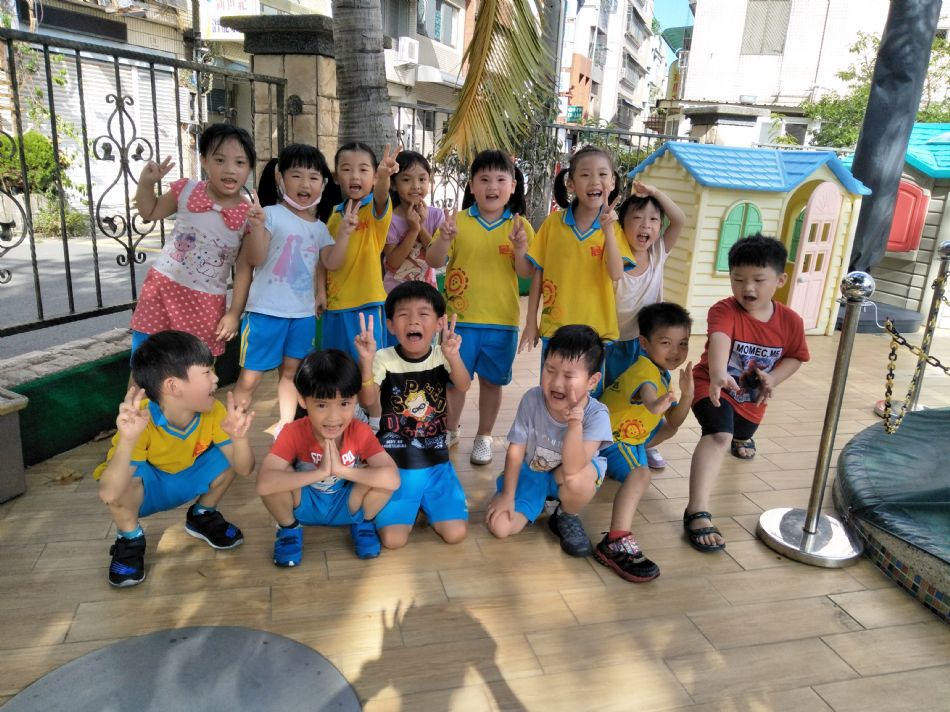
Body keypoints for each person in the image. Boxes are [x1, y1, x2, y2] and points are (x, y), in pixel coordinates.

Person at [94, 330, 255, 587]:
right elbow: (109, 494)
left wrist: (240, 438)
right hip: (149, 491)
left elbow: (244, 469)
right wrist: (127, 439)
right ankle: (129, 539)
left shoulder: (214, 411)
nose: (216, 379)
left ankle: (202, 515)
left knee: (231, 456)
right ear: (173, 386)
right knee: (122, 478)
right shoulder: (140, 419)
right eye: (207, 372)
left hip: (186, 479)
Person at [686, 234, 810, 552]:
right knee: (719, 434)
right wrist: (717, 373)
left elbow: (796, 356)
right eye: (738, 279)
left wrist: (773, 378)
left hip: (752, 398)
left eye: (758, 279)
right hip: (713, 386)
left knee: (742, 431)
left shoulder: (791, 322)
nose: (747, 288)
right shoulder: (724, 310)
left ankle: (743, 437)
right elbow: (719, 339)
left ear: (780, 280)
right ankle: (697, 511)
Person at [225, 144, 357, 436]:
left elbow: (331, 262)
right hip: (265, 313)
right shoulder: (269, 215)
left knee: (291, 375)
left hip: (302, 315)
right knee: (249, 379)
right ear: (279, 177)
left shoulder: (320, 228)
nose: (305, 184)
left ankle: (286, 430)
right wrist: (257, 226)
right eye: (297, 175)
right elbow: (255, 258)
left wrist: (345, 234)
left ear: (323, 183)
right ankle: (229, 434)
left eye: (313, 177)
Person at [425, 150, 534, 465]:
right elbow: (433, 259)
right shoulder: (456, 222)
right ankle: (450, 429)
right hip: (458, 323)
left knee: (492, 383)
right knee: (453, 382)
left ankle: (484, 436)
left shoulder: (520, 226)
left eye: (500, 179)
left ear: (513, 186)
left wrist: (520, 248)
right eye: (484, 179)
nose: (492, 186)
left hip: (502, 323)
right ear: (471, 186)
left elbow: (526, 273)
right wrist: (444, 239)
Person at [354, 281, 472, 548]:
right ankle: (417, 504)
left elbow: (463, 385)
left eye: (423, 314)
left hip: (436, 463)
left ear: (439, 323)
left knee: (456, 534)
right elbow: (367, 400)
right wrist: (366, 361)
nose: (413, 321)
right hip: (395, 465)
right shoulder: (383, 358)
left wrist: (453, 356)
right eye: (404, 314)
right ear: (390, 325)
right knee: (393, 540)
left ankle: (425, 503)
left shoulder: (442, 355)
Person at [130, 123, 264, 357]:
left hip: (205, 302)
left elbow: (246, 268)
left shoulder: (249, 214)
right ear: (204, 160)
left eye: (240, 163)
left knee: (196, 366)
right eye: (219, 160)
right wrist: (146, 183)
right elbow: (149, 211)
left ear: (250, 168)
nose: (230, 169)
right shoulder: (186, 190)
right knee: (146, 360)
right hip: (162, 290)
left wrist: (234, 313)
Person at [255, 349, 400, 564]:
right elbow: (264, 484)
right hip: (304, 505)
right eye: (322, 405)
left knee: (379, 477)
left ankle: (364, 523)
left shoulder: (360, 431)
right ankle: (289, 528)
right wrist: (321, 473)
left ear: (355, 400)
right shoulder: (293, 432)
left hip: (348, 505)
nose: (333, 417)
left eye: (344, 403)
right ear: (302, 400)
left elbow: (393, 480)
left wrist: (341, 470)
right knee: (279, 474)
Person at [485, 324, 613, 557]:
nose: (556, 382)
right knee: (501, 527)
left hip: (568, 475)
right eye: (550, 370)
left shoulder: (597, 415)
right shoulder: (532, 399)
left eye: (569, 375)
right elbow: (515, 451)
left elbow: (573, 467)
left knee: (579, 479)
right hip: (532, 472)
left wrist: (574, 425)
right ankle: (532, 496)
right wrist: (507, 496)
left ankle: (566, 514)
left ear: (592, 380)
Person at [521, 145, 632, 393]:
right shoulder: (553, 224)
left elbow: (616, 274)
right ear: (570, 184)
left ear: (613, 182)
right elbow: (538, 273)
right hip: (556, 329)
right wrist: (530, 321)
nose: (595, 181)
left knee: (589, 400)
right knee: (553, 393)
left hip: (598, 333)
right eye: (585, 174)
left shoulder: (614, 230)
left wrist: (608, 231)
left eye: (602, 174)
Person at [596, 302, 694, 582]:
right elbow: (650, 401)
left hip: (632, 435)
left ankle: (617, 468)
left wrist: (687, 395)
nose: (675, 352)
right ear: (644, 343)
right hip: (612, 438)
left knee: (668, 430)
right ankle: (614, 541)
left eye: (683, 343)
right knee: (641, 474)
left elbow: (673, 422)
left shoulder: (661, 373)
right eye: (666, 343)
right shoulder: (644, 371)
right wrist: (658, 404)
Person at [605, 180, 687, 471]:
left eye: (653, 219)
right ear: (622, 225)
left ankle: (644, 441)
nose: (645, 226)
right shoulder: (615, 255)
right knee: (618, 395)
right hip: (614, 343)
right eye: (637, 218)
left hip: (649, 345)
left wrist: (655, 193)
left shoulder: (657, 253)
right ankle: (614, 443)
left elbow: (679, 219)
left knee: (652, 395)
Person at [383, 150, 444, 292]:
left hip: (427, 292)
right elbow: (393, 263)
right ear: (393, 184)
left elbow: (438, 258)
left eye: (422, 179)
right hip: (396, 293)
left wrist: (420, 226)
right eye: (406, 180)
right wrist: (413, 230)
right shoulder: (389, 219)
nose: (416, 186)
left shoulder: (436, 215)